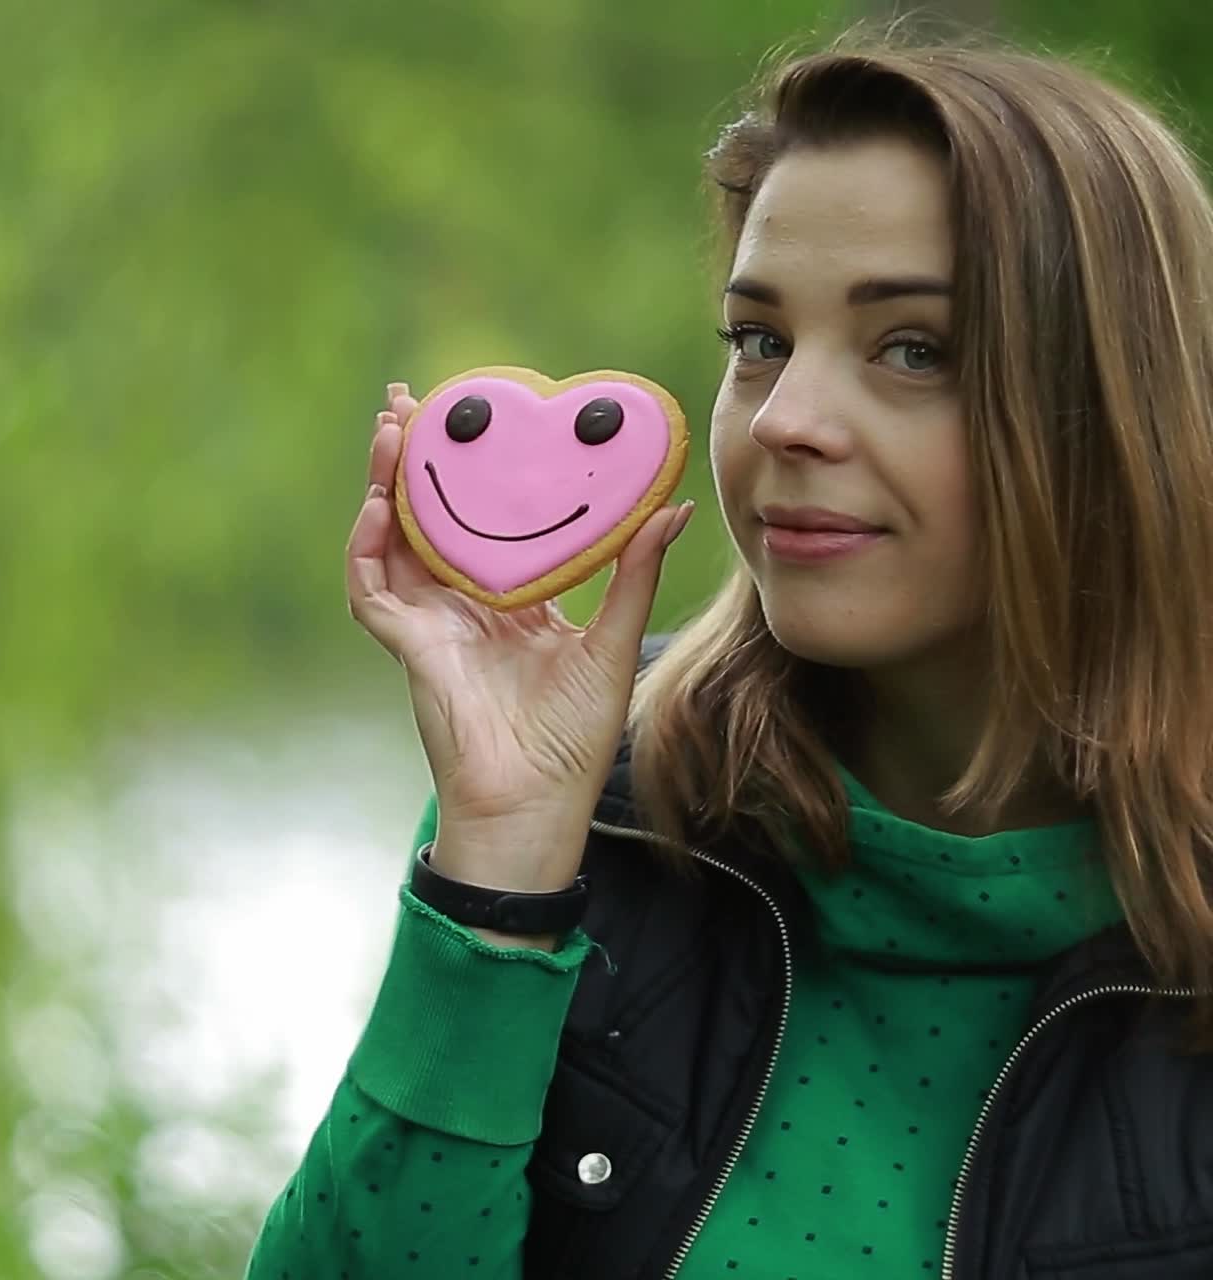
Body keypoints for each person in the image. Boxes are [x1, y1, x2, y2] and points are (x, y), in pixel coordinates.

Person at [245, 23, 1213, 1280]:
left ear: (1111, 412)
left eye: (912, 349)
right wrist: (496, 868)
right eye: (759, 339)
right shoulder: (605, 819)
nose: (789, 419)